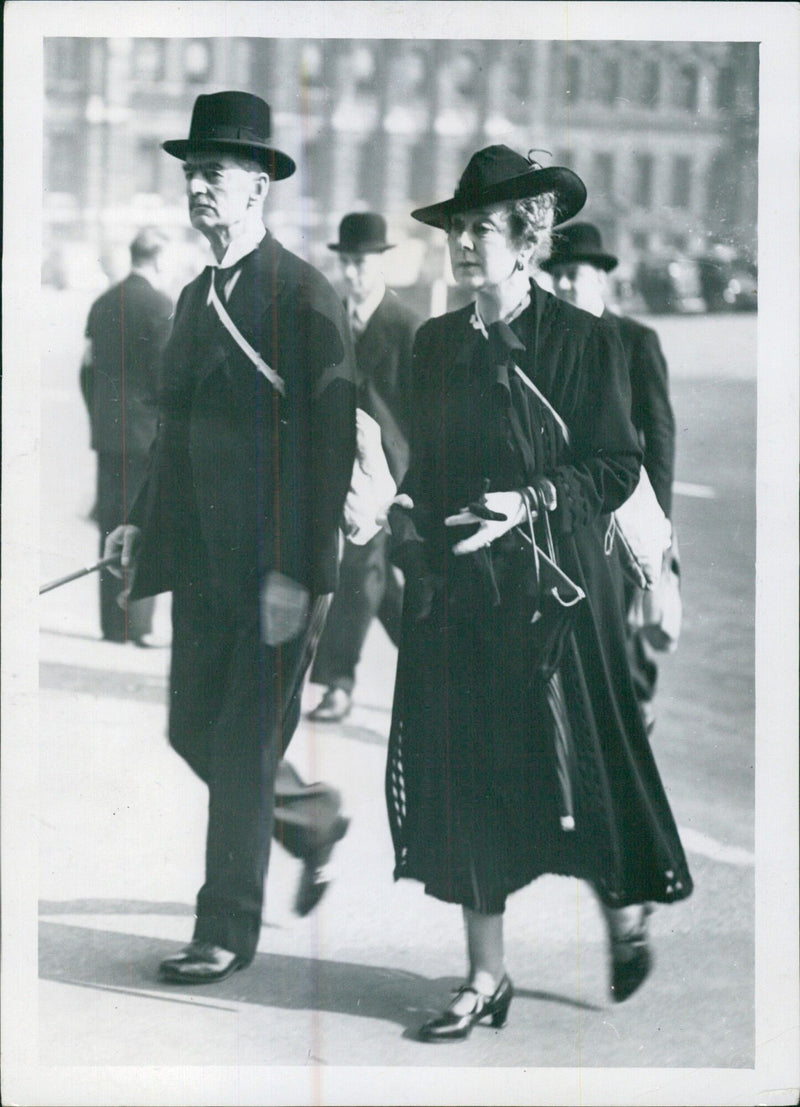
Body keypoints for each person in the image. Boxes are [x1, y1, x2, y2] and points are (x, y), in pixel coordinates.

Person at [385, 145, 693, 1041]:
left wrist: (529, 499)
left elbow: (615, 462)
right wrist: (402, 507)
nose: (465, 244)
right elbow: (431, 467)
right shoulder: (435, 344)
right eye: (458, 229)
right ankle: (486, 976)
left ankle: (627, 911)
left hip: (558, 595)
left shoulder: (586, 341)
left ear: (528, 240)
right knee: (467, 780)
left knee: (586, 772)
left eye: (482, 228)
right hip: (463, 592)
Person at [105, 91, 357, 982]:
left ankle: (225, 929)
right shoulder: (192, 292)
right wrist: (136, 519)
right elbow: (174, 430)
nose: (197, 187)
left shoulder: (302, 292)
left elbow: (330, 446)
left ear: (258, 189)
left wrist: (298, 570)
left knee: (244, 747)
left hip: (277, 570)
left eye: (214, 173)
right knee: (191, 731)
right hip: (207, 564)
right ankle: (311, 819)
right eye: (191, 173)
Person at [541, 222, 677, 733]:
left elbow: (659, 434)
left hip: (627, 504)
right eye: (557, 277)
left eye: (576, 275)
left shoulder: (636, 341)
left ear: (601, 278)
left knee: (624, 614)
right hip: (574, 505)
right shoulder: (549, 339)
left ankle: (634, 709)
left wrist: (659, 520)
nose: (566, 286)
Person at [308, 213, 420, 722]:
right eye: (346, 262)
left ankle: (337, 683)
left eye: (361, 263)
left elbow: (422, 411)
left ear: (381, 264)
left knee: (360, 566)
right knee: (379, 580)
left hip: (389, 473)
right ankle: (433, 663)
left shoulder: (407, 326)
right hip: (337, 464)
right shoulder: (329, 319)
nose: (352, 273)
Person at [80, 227, 173, 644]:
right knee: (142, 524)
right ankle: (137, 624)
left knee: (110, 524)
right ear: (158, 259)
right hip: (145, 435)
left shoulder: (101, 304)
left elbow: (85, 370)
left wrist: (100, 414)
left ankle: (110, 625)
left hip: (108, 434)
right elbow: (165, 377)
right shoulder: (161, 305)